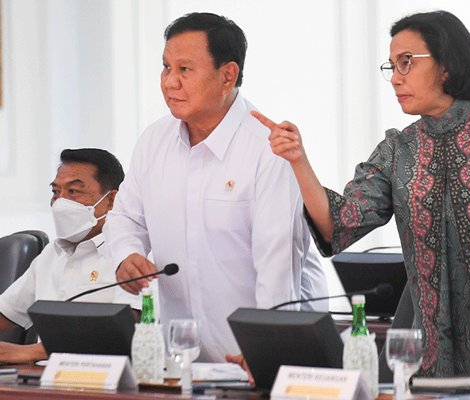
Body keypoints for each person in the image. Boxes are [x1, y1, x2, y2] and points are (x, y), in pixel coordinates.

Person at [255, 10, 470, 377]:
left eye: (406, 63)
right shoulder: (398, 150)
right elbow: (338, 225)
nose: (394, 79)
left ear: (446, 65)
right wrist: (298, 160)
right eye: (390, 66)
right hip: (435, 358)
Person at [103, 12, 327, 363]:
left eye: (185, 70)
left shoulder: (267, 150)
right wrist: (125, 255)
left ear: (228, 75)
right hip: (180, 360)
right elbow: (125, 218)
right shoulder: (153, 141)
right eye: (165, 67)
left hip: (253, 359)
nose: (169, 82)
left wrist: (267, 352)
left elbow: (278, 271)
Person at [0, 148, 141, 364]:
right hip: (44, 381)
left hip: (103, 380)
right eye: (56, 192)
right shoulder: (52, 254)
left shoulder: (130, 254)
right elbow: (5, 313)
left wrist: (30, 352)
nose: (60, 202)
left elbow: (129, 331)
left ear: (112, 200)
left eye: (73, 191)